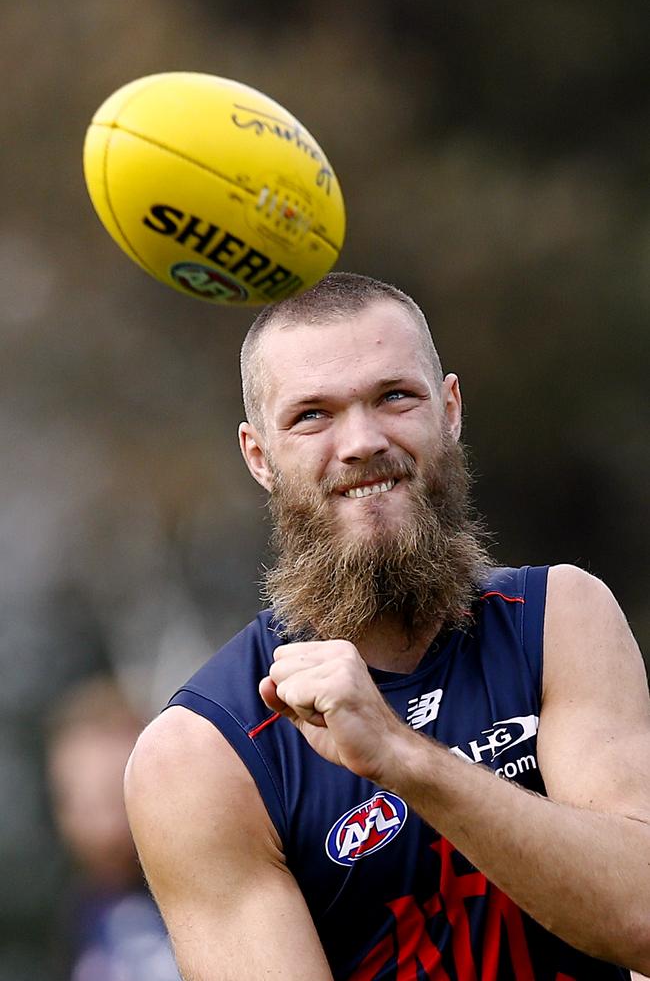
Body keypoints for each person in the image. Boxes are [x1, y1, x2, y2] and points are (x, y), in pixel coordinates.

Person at [124, 273, 650, 980]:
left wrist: (402, 759)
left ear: (451, 409)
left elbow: (641, 918)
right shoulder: (201, 755)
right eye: (312, 415)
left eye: (394, 396)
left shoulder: (562, 620)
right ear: (259, 457)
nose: (363, 441)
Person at [46, 674, 180, 981]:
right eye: (77, 803)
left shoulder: (206, 883)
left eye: (111, 800)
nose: (99, 829)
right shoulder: (84, 913)